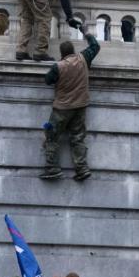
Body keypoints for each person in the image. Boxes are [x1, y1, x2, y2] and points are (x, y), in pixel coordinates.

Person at [41, 32, 101, 180]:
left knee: (52, 136)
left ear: (62, 53)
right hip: (80, 106)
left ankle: (52, 167)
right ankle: (82, 169)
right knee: (78, 138)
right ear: (73, 50)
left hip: (61, 108)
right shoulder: (83, 58)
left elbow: (48, 80)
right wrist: (88, 35)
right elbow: (95, 46)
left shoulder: (58, 66)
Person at [14, 0, 83, 62]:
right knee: (45, 17)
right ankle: (40, 52)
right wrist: (70, 17)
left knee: (28, 18)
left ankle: (21, 51)